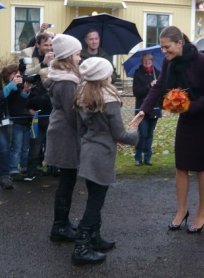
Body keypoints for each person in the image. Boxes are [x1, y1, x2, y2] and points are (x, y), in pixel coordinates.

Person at [130, 26, 204, 234]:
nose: (163, 51)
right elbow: (158, 87)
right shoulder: (170, 63)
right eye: (161, 47)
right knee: (181, 165)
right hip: (187, 118)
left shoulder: (202, 61)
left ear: (179, 43)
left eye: (166, 47)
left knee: (201, 167)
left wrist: (187, 106)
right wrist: (143, 111)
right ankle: (182, 211)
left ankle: (202, 213)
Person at [71, 57, 138, 265]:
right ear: (104, 76)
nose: (112, 75)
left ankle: (94, 238)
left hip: (89, 151)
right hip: (102, 156)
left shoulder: (82, 96)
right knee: (95, 202)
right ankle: (81, 247)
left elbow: (81, 129)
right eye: (110, 72)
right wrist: (136, 133)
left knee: (94, 196)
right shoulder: (108, 99)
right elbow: (120, 133)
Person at [44, 34, 83, 243]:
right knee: (67, 182)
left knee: (68, 180)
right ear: (68, 56)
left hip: (62, 132)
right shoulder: (67, 81)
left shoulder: (60, 76)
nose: (79, 58)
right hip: (66, 135)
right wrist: (87, 132)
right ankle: (59, 227)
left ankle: (63, 222)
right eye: (77, 54)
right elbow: (72, 112)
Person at [132, 52, 161, 166]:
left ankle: (148, 157)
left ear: (152, 61)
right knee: (142, 133)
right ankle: (138, 156)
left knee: (149, 133)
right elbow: (136, 92)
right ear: (141, 61)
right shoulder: (138, 73)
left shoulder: (158, 74)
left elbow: (161, 91)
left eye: (149, 59)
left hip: (155, 108)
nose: (147, 61)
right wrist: (149, 86)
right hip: (142, 108)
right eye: (144, 60)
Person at [25, 68, 52, 179]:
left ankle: (53, 168)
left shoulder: (57, 88)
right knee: (35, 148)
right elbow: (35, 102)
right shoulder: (36, 90)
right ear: (41, 79)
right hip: (39, 124)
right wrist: (48, 95)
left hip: (52, 123)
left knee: (51, 148)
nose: (48, 80)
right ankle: (31, 170)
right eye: (46, 77)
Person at [6, 74, 33, 181]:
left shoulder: (30, 91)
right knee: (16, 147)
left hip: (27, 122)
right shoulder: (12, 90)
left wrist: (27, 90)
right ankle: (13, 169)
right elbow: (17, 105)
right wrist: (24, 91)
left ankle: (24, 167)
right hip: (17, 122)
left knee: (25, 148)